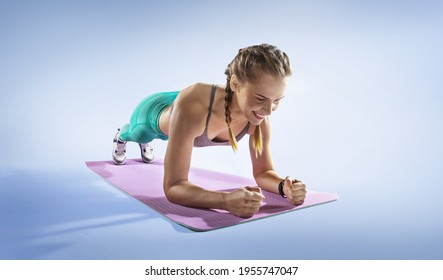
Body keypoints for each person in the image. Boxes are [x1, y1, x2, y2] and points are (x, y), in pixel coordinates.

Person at [112, 44, 307, 218]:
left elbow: (264, 172)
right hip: (153, 114)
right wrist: (225, 201)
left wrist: (284, 187)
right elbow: (174, 187)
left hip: (184, 113)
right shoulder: (193, 107)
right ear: (236, 84)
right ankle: (121, 136)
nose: (268, 110)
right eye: (260, 98)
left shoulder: (258, 118)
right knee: (138, 135)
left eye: (277, 100)